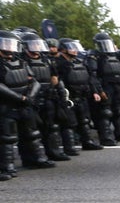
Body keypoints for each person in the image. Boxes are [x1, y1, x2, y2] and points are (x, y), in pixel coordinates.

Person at [0, 30, 56, 180]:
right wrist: (20, 98)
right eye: (4, 43)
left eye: (10, 43)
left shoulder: (21, 61)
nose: (8, 47)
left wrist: (30, 96)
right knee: (7, 137)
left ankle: (36, 159)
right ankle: (6, 167)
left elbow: (34, 81)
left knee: (32, 133)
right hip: (6, 106)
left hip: (25, 104)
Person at [18, 31, 70, 161]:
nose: (36, 47)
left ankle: (53, 152)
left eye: (37, 44)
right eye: (33, 44)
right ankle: (30, 158)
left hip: (48, 96)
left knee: (51, 126)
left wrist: (58, 91)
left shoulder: (46, 59)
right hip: (31, 98)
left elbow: (54, 77)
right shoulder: (21, 60)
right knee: (30, 130)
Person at [54, 38, 104, 151]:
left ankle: (88, 142)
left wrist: (95, 92)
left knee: (84, 121)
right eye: (71, 47)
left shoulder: (79, 62)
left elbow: (89, 78)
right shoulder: (58, 63)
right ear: (63, 49)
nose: (75, 50)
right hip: (68, 97)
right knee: (69, 123)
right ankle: (69, 147)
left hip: (82, 96)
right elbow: (57, 81)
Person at [86, 32, 120, 145]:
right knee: (105, 112)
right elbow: (93, 75)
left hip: (117, 86)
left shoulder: (114, 55)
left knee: (119, 111)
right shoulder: (94, 56)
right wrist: (99, 90)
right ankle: (106, 137)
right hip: (105, 86)